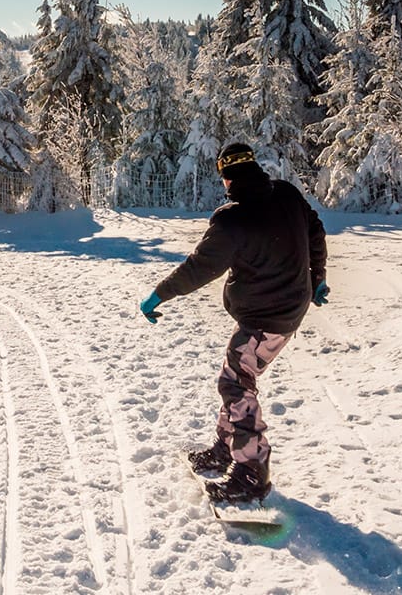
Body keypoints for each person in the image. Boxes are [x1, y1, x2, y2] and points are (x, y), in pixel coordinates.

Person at [139, 141, 329, 503]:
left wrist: (159, 295)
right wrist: (317, 275)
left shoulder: (233, 219)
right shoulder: (286, 195)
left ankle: (251, 470)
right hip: (287, 307)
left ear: (225, 176)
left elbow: (199, 268)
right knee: (235, 378)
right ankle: (227, 447)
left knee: (236, 384)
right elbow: (315, 229)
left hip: (268, 318)